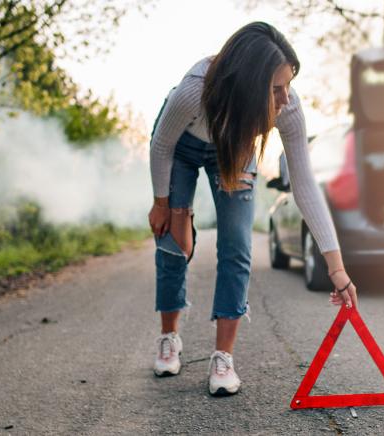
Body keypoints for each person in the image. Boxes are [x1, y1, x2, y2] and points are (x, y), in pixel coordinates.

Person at [147, 21, 358, 396]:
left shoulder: (287, 110)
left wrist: (336, 267)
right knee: (173, 245)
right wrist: (161, 204)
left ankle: (222, 358)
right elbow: (161, 146)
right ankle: (169, 337)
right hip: (180, 148)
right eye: (276, 89)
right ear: (247, 84)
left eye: (289, 84)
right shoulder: (193, 92)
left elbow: (304, 184)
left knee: (236, 245)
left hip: (235, 145)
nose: (286, 97)